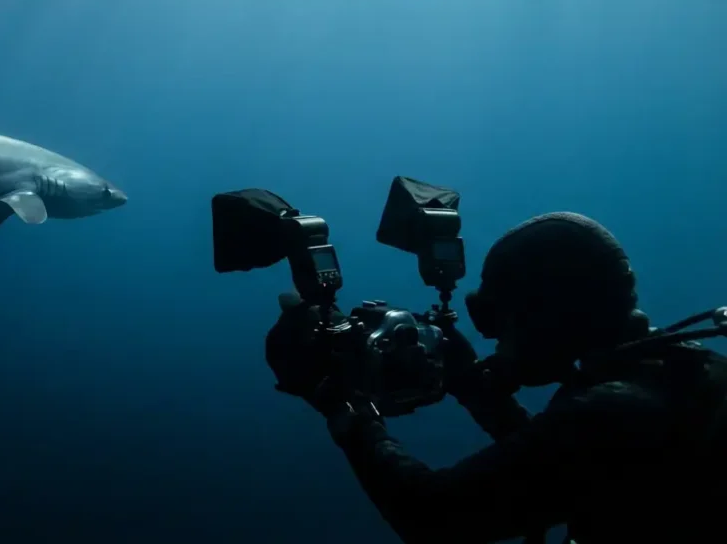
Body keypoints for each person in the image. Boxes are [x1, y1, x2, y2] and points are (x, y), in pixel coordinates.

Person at [267, 212, 727, 544]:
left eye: (501, 323)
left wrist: (347, 414)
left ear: (548, 316)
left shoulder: (615, 411)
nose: (498, 343)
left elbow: (434, 516)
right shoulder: (681, 372)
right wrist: (471, 384)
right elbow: (560, 466)